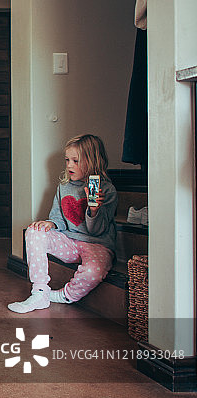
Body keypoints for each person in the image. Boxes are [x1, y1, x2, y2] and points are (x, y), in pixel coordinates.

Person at [8, 134, 117, 313]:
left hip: (97, 245)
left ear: (92, 161)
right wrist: (50, 223)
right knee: (33, 231)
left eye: (75, 160)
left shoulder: (106, 190)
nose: (69, 165)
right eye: (67, 160)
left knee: (93, 271)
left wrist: (95, 210)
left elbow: (96, 231)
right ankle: (40, 292)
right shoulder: (64, 187)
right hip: (70, 242)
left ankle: (63, 296)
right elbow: (58, 218)